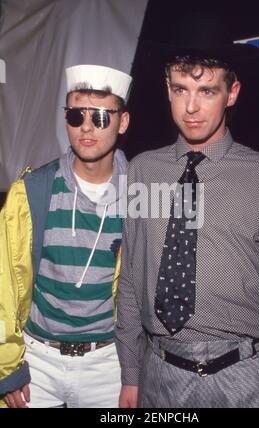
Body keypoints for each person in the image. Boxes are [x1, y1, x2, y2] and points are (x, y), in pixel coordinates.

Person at [115, 13, 259, 408]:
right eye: (181, 89)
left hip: (250, 374)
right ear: (167, 88)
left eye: (207, 91)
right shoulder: (142, 171)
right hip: (160, 372)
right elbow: (130, 277)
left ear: (232, 93)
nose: (192, 107)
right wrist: (130, 373)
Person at [0, 64, 131, 408]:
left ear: (123, 121)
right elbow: (3, 288)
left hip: (108, 365)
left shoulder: (142, 196)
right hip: (36, 362)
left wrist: (136, 368)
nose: (87, 127)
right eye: (76, 115)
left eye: (101, 116)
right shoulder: (31, 191)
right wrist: (5, 367)